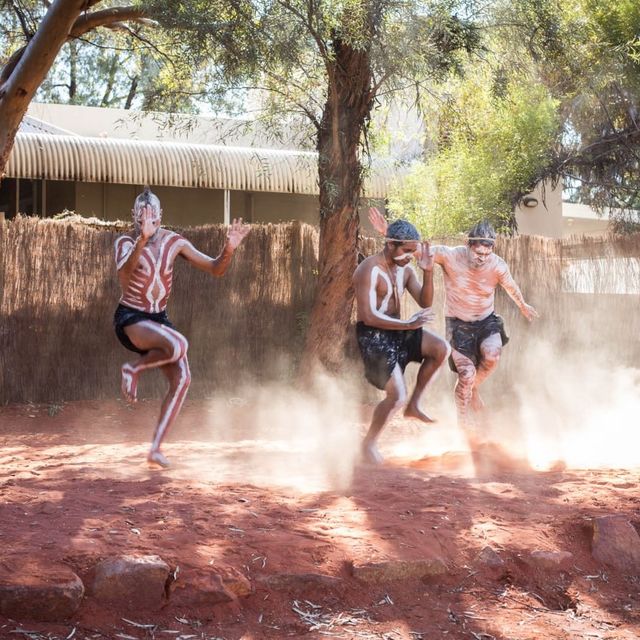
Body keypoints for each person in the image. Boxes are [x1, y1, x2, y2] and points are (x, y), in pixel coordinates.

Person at [368, 209, 538, 452]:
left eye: (487, 253)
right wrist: (388, 232)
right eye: (478, 252)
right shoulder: (450, 256)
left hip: (486, 320)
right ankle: (464, 419)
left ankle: (471, 387)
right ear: (468, 245)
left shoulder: (497, 265)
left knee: (492, 355)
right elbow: (418, 250)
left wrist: (523, 306)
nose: (482, 258)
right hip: (457, 325)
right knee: (466, 374)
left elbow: (510, 286)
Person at [113, 186, 250, 468]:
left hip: (159, 320)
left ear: (161, 215)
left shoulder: (174, 242)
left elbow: (215, 269)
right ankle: (133, 368)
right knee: (178, 344)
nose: (148, 219)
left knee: (183, 378)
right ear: (134, 216)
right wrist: (142, 239)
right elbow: (125, 274)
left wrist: (229, 249)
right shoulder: (125, 243)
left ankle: (155, 448)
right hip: (131, 319)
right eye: (142, 215)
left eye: (153, 215)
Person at [353, 217, 450, 464]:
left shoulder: (406, 270)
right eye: (406, 251)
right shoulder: (369, 269)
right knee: (396, 396)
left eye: (412, 251)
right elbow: (367, 315)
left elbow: (425, 301)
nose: (410, 256)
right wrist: (407, 324)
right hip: (373, 335)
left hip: (398, 329)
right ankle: (368, 444)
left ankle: (414, 405)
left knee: (441, 349)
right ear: (390, 245)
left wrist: (428, 272)